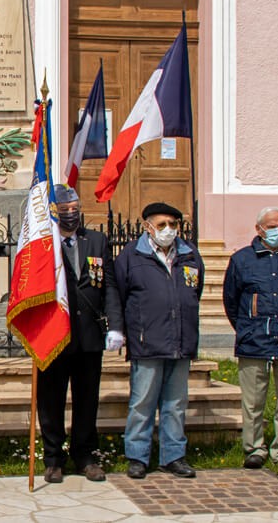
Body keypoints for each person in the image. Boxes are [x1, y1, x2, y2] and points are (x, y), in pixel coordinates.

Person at [111, 202, 204, 480]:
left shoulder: (189, 254)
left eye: (173, 224)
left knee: (175, 403)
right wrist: (123, 329)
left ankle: (173, 455)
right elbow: (120, 293)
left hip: (180, 339)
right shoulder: (132, 255)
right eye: (162, 224)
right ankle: (137, 456)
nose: (168, 230)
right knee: (142, 402)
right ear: (147, 226)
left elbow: (194, 291)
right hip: (147, 340)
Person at [37, 184, 120, 484]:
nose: (71, 214)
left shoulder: (96, 241)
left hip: (88, 336)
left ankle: (85, 454)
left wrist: (115, 326)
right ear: (53, 212)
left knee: (87, 399)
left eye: (75, 209)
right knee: (51, 399)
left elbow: (109, 286)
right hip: (53, 335)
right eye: (64, 210)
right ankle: (53, 458)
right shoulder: (43, 245)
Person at [222, 207, 278, 470]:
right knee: (253, 400)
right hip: (254, 338)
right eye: (271, 226)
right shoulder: (242, 260)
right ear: (259, 229)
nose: (277, 230)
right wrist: (245, 328)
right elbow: (231, 299)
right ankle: (254, 448)